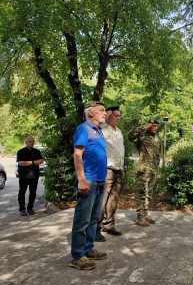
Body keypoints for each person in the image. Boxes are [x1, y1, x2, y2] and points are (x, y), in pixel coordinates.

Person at [69, 101, 108, 270]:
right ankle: (78, 256)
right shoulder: (83, 129)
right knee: (82, 220)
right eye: (102, 110)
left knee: (93, 219)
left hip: (99, 181)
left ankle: (89, 249)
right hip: (89, 181)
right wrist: (81, 179)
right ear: (91, 112)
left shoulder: (98, 131)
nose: (105, 113)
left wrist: (104, 178)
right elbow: (77, 155)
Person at [96, 106, 125, 242]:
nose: (118, 118)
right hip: (107, 169)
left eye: (119, 116)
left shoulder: (118, 131)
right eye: (115, 116)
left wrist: (122, 166)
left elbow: (120, 151)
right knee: (102, 199)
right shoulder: (101, 129)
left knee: (113, 199)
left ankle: (109, 226)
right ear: (108, 116)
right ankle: (96, 228)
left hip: (118, 169)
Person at [128, 119, 161, 227]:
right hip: (144, 170)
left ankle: (145, 215)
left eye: (156, 126)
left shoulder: (157, 138)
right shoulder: (141, 137)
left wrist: (157, 169)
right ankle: (140, 217)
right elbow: (130, 136)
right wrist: (143, 126)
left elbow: (157, 155)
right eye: (153, 126)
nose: (155, 128)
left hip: (153, 170)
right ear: (148, 126)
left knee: (149, 194)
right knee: (142, 193)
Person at [16, 136, 44, 216]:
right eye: (30, 141)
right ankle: (22, 209)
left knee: (33, 193)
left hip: (34, 176)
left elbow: (41, 161)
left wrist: (29, 162)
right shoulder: (20, 152)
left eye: (33, 141)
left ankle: (30, 208)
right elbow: (21, 163)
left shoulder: (37, 151)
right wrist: (34, 162)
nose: (32, 142)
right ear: (26, 142)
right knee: (22, 192)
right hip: (24, 176)